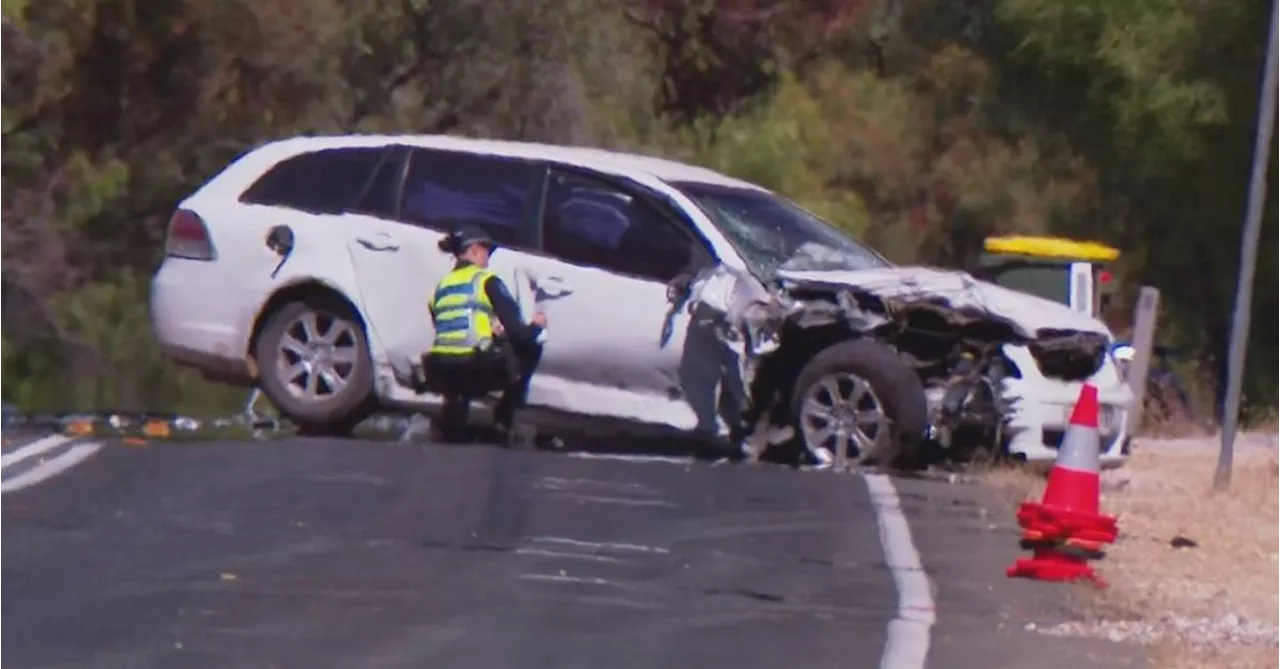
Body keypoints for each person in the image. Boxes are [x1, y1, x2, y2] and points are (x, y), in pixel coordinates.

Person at [423, 225, 546, 443]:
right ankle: (503, 419)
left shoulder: (441, 286)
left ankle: (453, 414)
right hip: (474, 367)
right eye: (485, 251)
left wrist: (489, 329)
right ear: (473, 251)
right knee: (531, 346)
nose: (488, 258)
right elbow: (521, 335)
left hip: (439, 369)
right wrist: (537, 325)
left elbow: (451, 326)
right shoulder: (487, 280)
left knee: (464, 351)